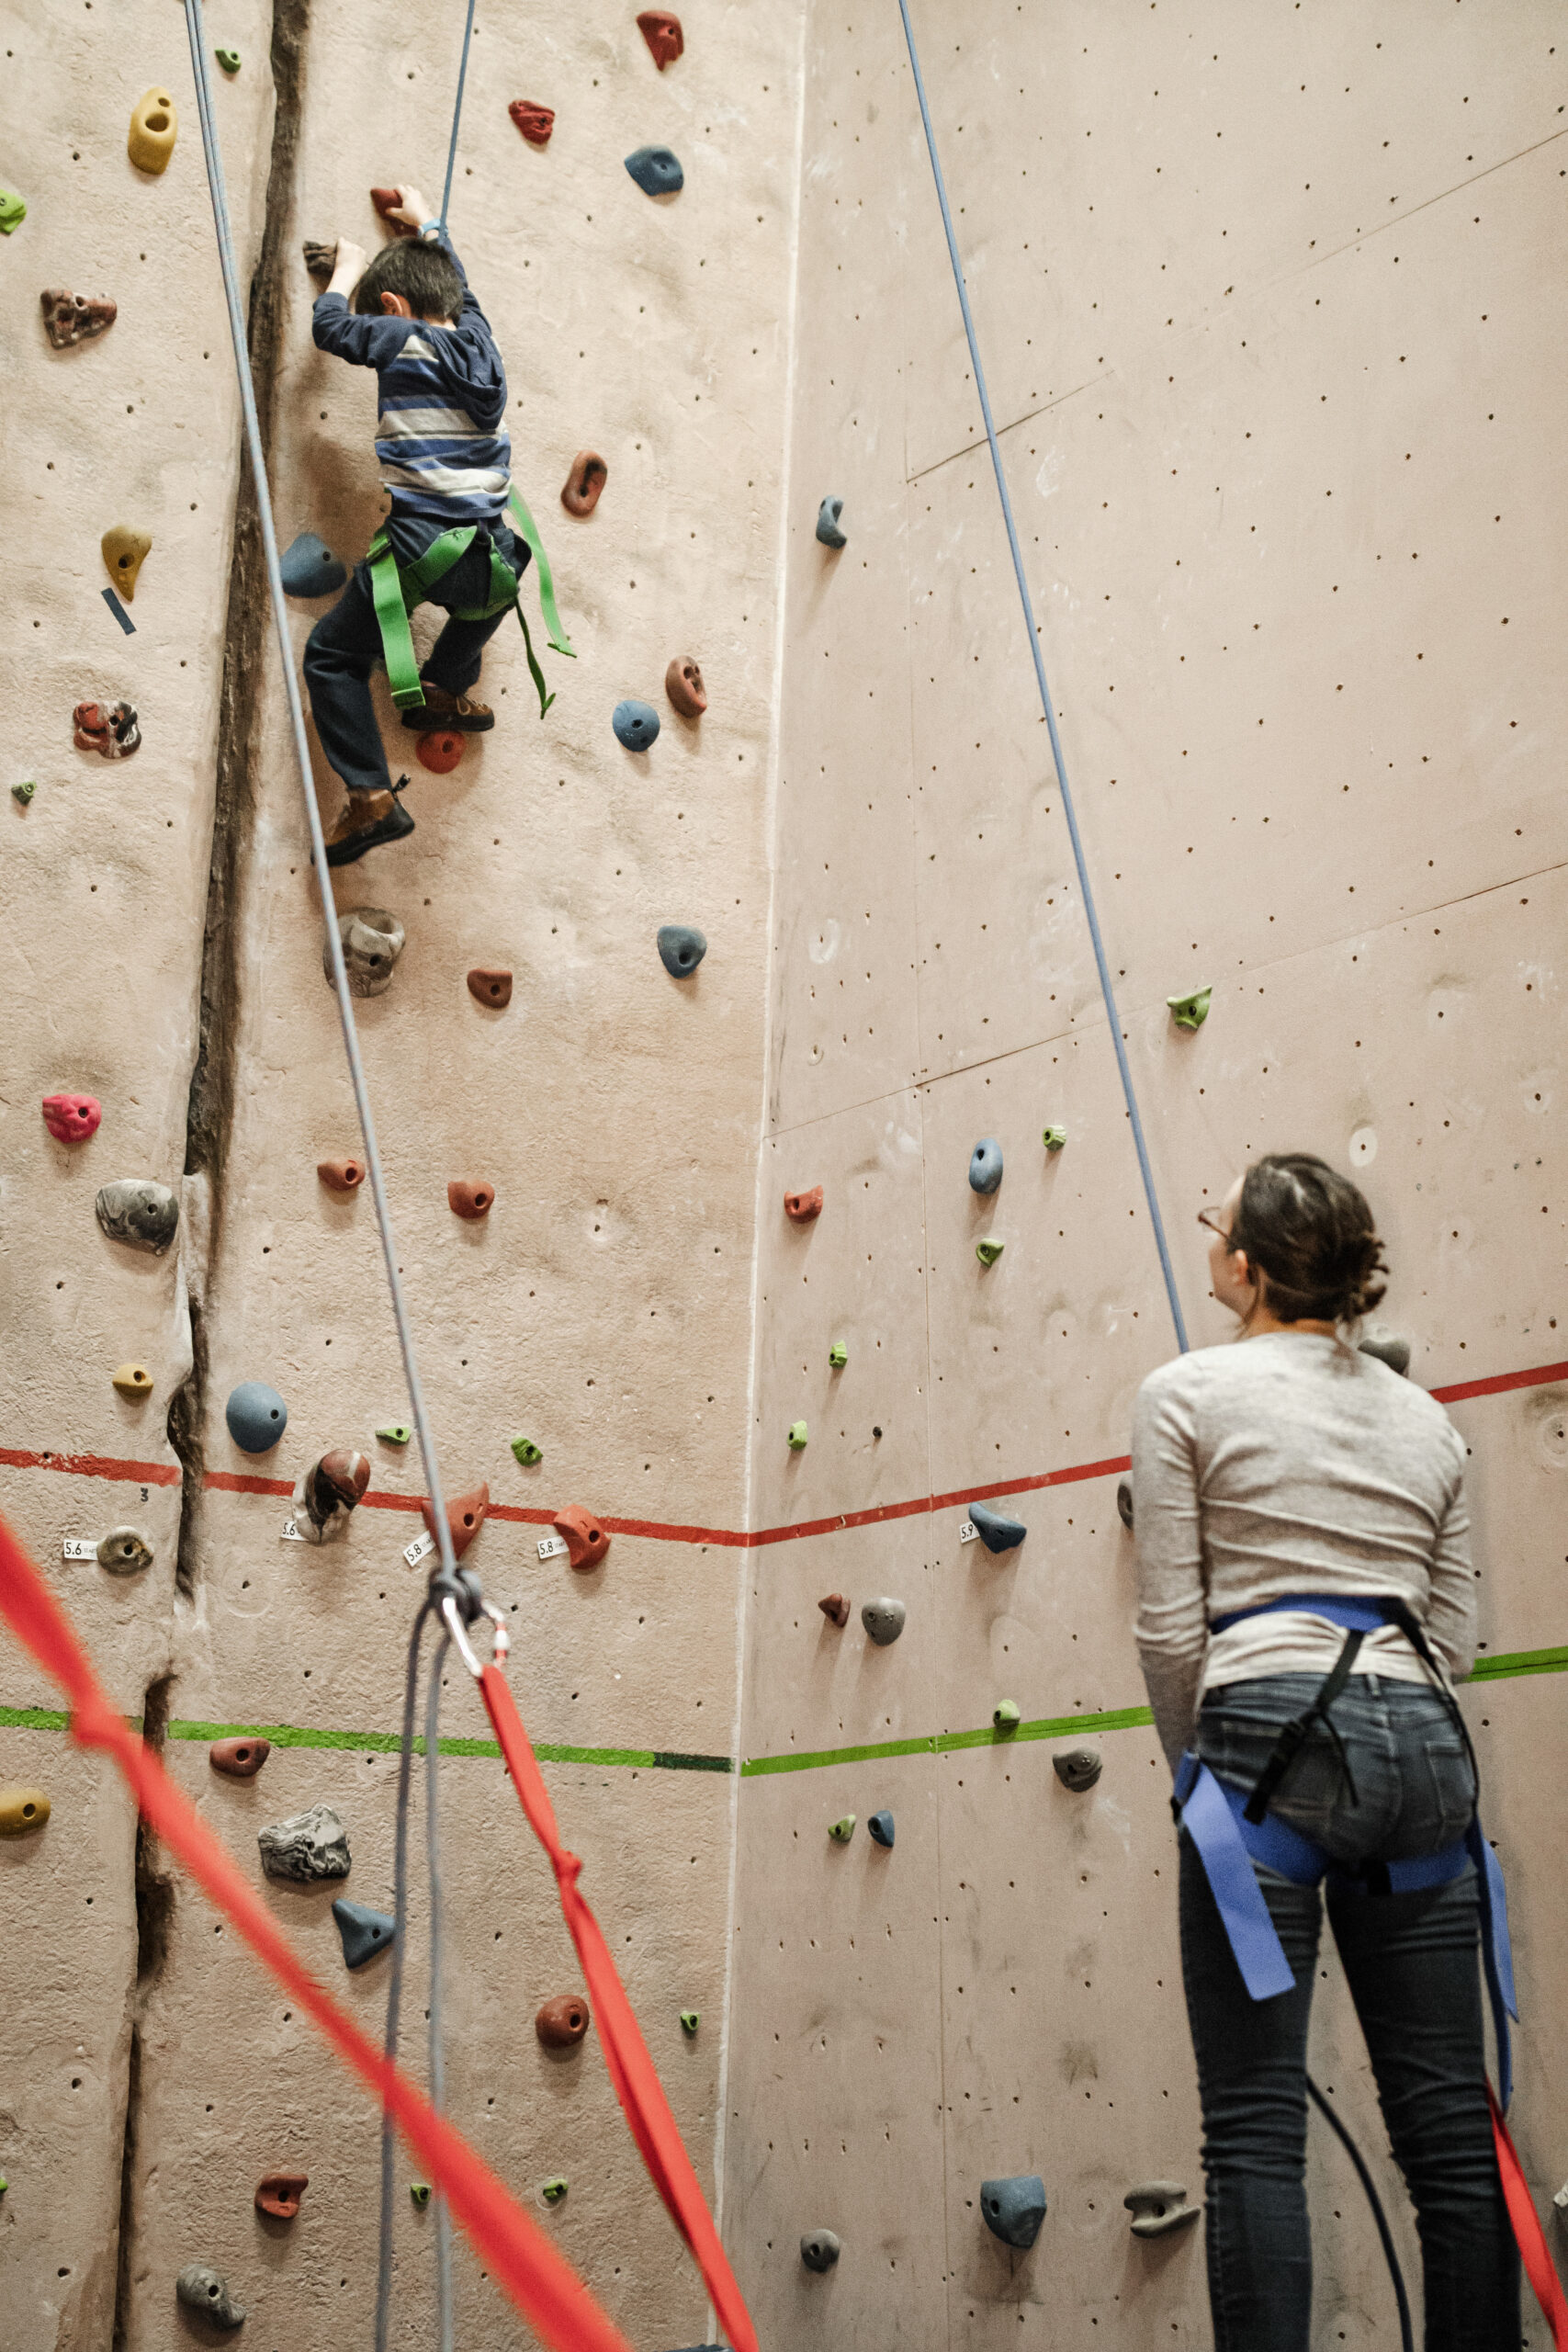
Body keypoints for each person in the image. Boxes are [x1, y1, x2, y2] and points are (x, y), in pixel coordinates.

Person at [1131, 1152, 1518, 2351]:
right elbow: (1448, 1636)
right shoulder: (1424, 1420)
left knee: (1252, 2131)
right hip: (1420, 1754)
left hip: (1262, 1739)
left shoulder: (1182, 1392)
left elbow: (1166, 1631)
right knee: (1451, 2139)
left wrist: (1199, 1776)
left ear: (1243, 1264)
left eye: (1217, 1218)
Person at [302, 185, 528, 865]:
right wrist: (429, 219)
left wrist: (347, 267)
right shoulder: (483, 344)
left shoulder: (400, 336)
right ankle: (441, 689)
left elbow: (331, 329)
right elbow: (463, 288)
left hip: (421, 544)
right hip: (497, 558)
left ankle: (370, 797)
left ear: (395, 309)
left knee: (334, 656)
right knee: (485, 602)